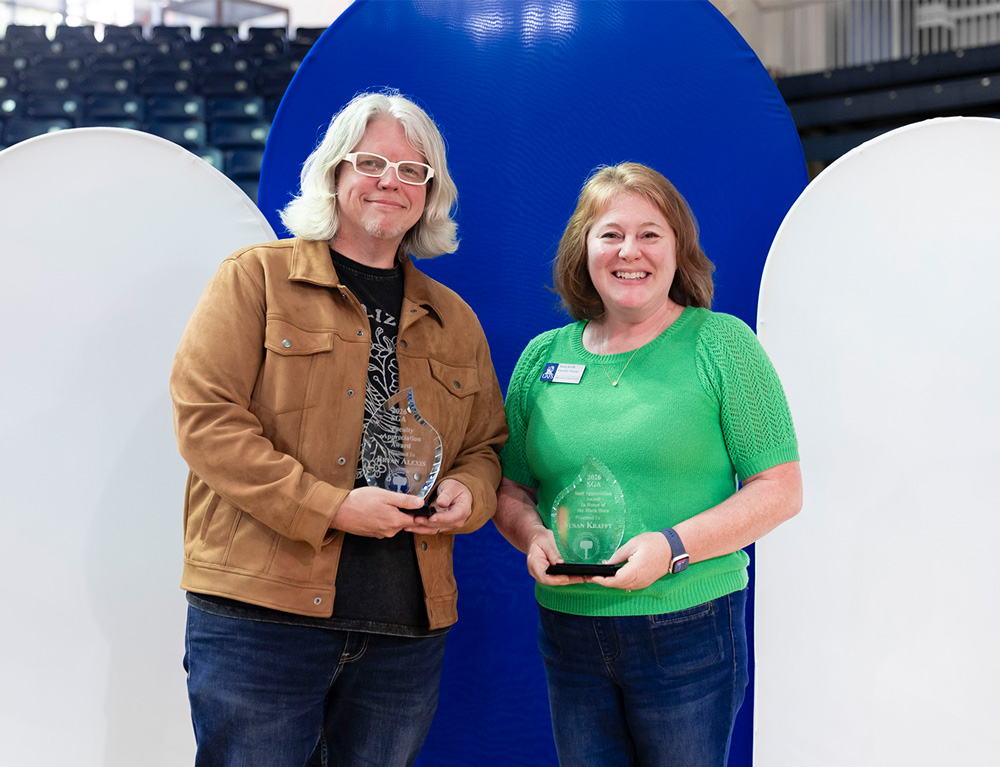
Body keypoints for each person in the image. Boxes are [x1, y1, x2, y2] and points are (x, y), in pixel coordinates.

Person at [169, 90, 507, 767]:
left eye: (414, 171)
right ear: (335, 173)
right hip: (261, 621)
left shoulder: (455, 319)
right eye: (372, 161)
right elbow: (207, 420)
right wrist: (331, 506)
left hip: (404, 629)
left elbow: (485, 446)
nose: (391, 181)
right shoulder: (256, 280)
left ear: (430, 193)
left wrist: (470, 494)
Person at [494, 163, 802, 766]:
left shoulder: (723, 345)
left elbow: (780, 489)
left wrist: (672, 547)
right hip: (569, 629)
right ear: (583, 250)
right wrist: (530, 536)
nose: (628, 251)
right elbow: (509, 490)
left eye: (649, 234)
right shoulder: (541, 359)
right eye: (610, 234)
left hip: (688, 627)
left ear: (678, 250)